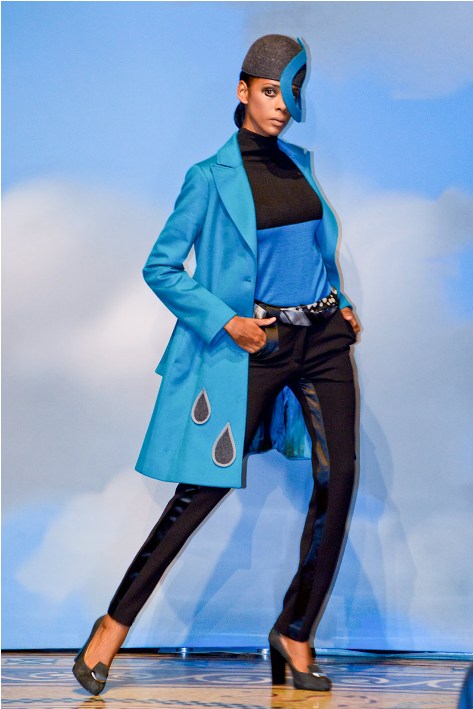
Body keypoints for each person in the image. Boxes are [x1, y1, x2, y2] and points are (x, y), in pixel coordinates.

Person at [73, 33, 360, 696]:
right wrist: (227, 322)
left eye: (289, 94)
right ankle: (112, 625)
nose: (281, 106)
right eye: (269, 92)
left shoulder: (300, 165)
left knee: (339, 477)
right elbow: (162, 267)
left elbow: (311, 250)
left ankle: (294, 631)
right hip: (255, 344)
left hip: (322, 339)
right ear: (243, 91)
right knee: (199, 491)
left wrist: (341, 303)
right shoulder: (209, 178)